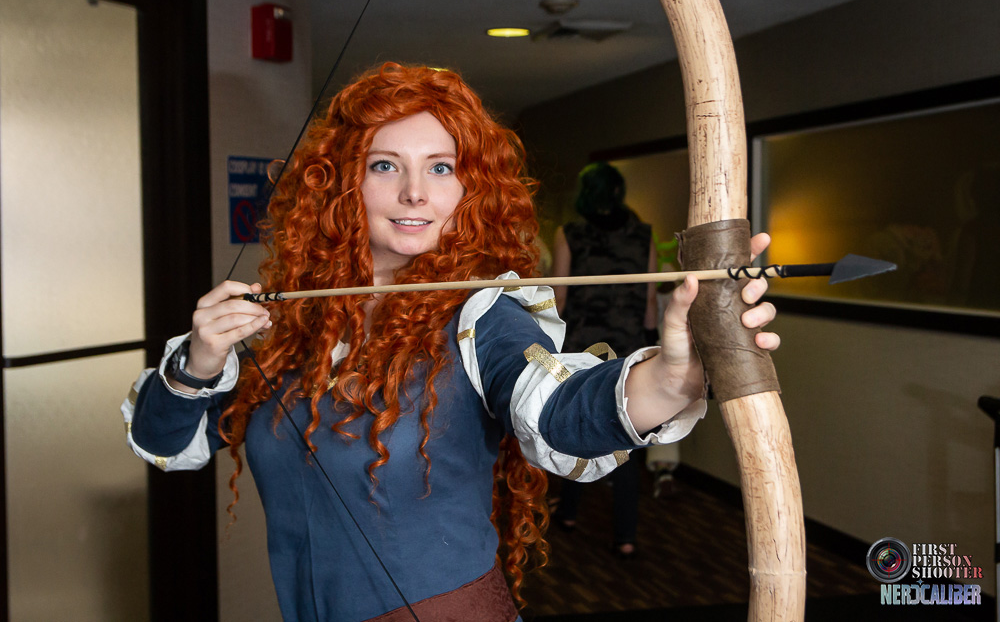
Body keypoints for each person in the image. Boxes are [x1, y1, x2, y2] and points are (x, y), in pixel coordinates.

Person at [120, 63, 778, 622]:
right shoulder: (290, 321)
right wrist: (197, 364)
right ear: (342, 181)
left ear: (470, 187)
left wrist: (671, 376)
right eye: (385, 165)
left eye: (441, 167)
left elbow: (559, 409)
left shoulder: (482, 314)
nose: (415, 192)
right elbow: (165, 440)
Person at [549, 162, 657, 558]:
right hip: (628, 350)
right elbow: (649, 299)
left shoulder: (569, 233)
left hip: (583, 348)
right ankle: (625, 535)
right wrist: (651, 345)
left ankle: (569, 513)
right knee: (627, 434)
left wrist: (546, 345)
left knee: (580, 425)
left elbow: (559, 297)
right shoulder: (643, 235)